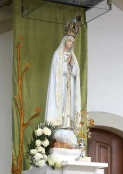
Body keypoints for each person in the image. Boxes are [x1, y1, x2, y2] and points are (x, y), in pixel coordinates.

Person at [45, 18, 81, 148]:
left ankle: (68, 126)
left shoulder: (73, 57)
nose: (71, 44)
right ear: (65, 41)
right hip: (60, 87)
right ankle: (59, 127)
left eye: (73, 42)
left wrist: (72, 66)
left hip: (69, 87)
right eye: (69, 41)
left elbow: (77, 72)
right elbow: (56, 71)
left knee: (69, 106)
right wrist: (66, 67)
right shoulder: (58, 55)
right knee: (61, 106)